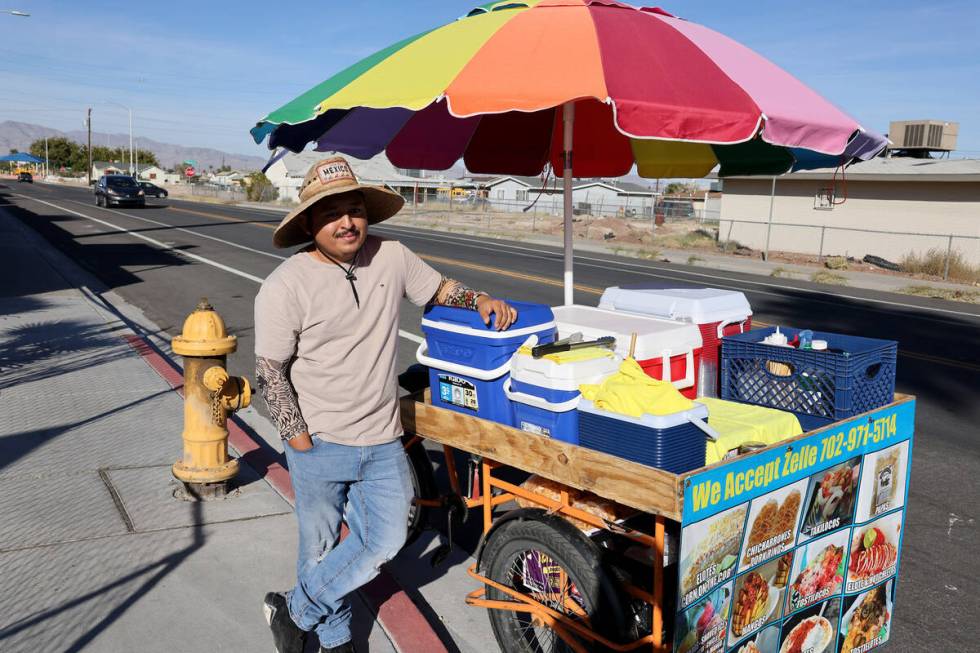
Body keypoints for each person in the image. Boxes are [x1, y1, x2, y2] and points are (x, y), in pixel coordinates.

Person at [254, 156, 517, 653]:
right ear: (310, 222)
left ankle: (294, 610)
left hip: (381, 439)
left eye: (354, 209)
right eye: (331, 213)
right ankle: (334, 638)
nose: (346, 222)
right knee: (320, 545)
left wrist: (476, 298)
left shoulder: (392, 256)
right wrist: (297, 436)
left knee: (383, 541)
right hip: (320, 440)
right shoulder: (285, 285)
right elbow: (270, 369)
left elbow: (438, 289)